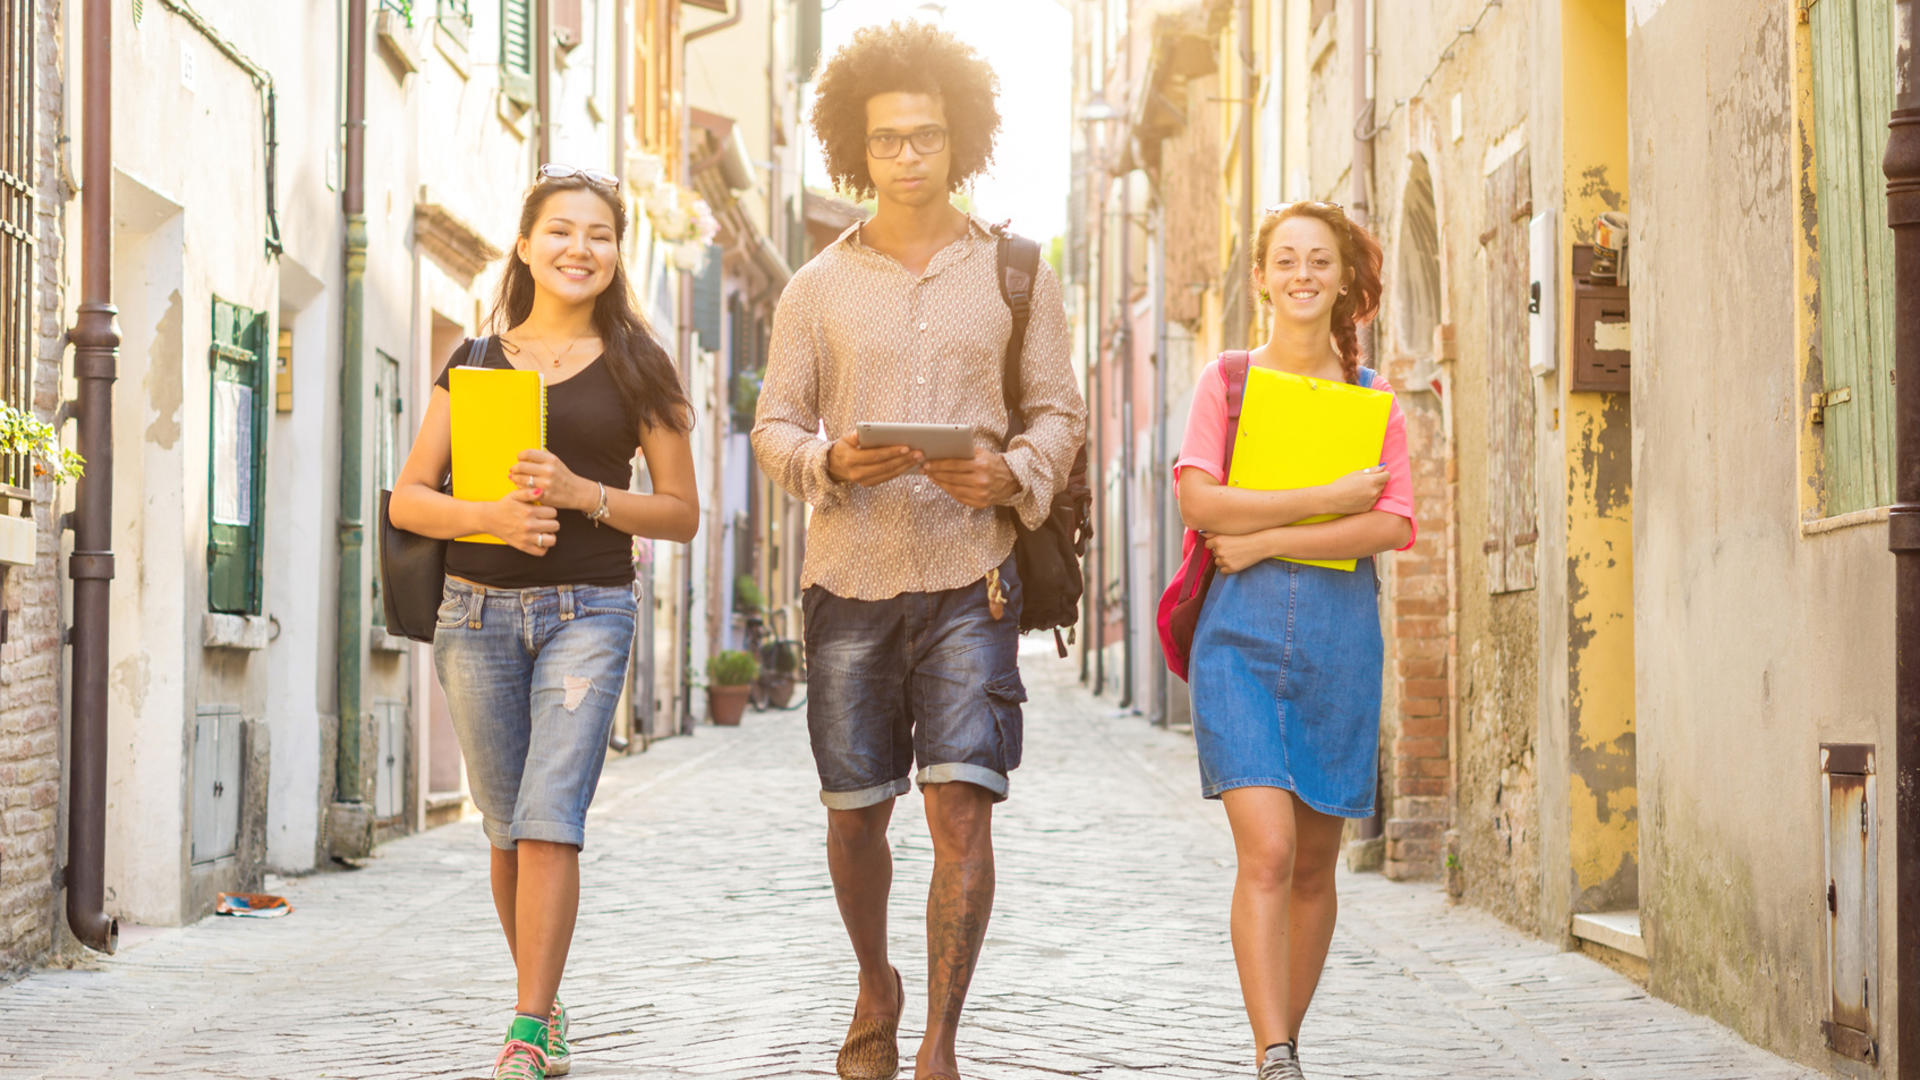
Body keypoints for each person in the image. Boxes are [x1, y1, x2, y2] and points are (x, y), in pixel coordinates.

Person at [751, 22, 1087, 1080]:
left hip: (971, 580)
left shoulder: (1016, 273)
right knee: (856, 817)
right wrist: (830, 462)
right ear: (858, 147)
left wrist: (1012, 476)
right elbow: (772, 426)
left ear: (960, 140)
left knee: (960, 809)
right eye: (888, 139)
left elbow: (1058, 413)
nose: (908, 155)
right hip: (847, 578)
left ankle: (939, 1040)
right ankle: (874, 981)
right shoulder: (813, 288)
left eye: (927, 136)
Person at [389, 164, 699, 1080]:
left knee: (549, 817)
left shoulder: (641, 364)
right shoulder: (476, 364)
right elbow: (410, 500)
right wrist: (485, 516)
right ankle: (546, 998)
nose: (580, 248)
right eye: (560, 231)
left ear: (617, 253)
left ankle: (526, 1027)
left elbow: (681, 511)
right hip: (474, 613)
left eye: (599, 234)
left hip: (590, 613)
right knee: (504, 827)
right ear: (525, 246)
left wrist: (585, 495)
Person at [1172, 201, 1416, 1080]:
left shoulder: (1372, 396)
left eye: (1320, 260)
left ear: (1345, 277)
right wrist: (1326, 498)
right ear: (1264, 278)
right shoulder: (1227, 383)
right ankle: (1273, 1051)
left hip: (1339, 644)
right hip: (1236, 643)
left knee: (1317, 864)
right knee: (1268, 850)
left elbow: (1391, 525)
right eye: (1286, 260)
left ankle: (1287, 1042)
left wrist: (1271, 534)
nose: (1303, 275)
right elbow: (1201, 502)